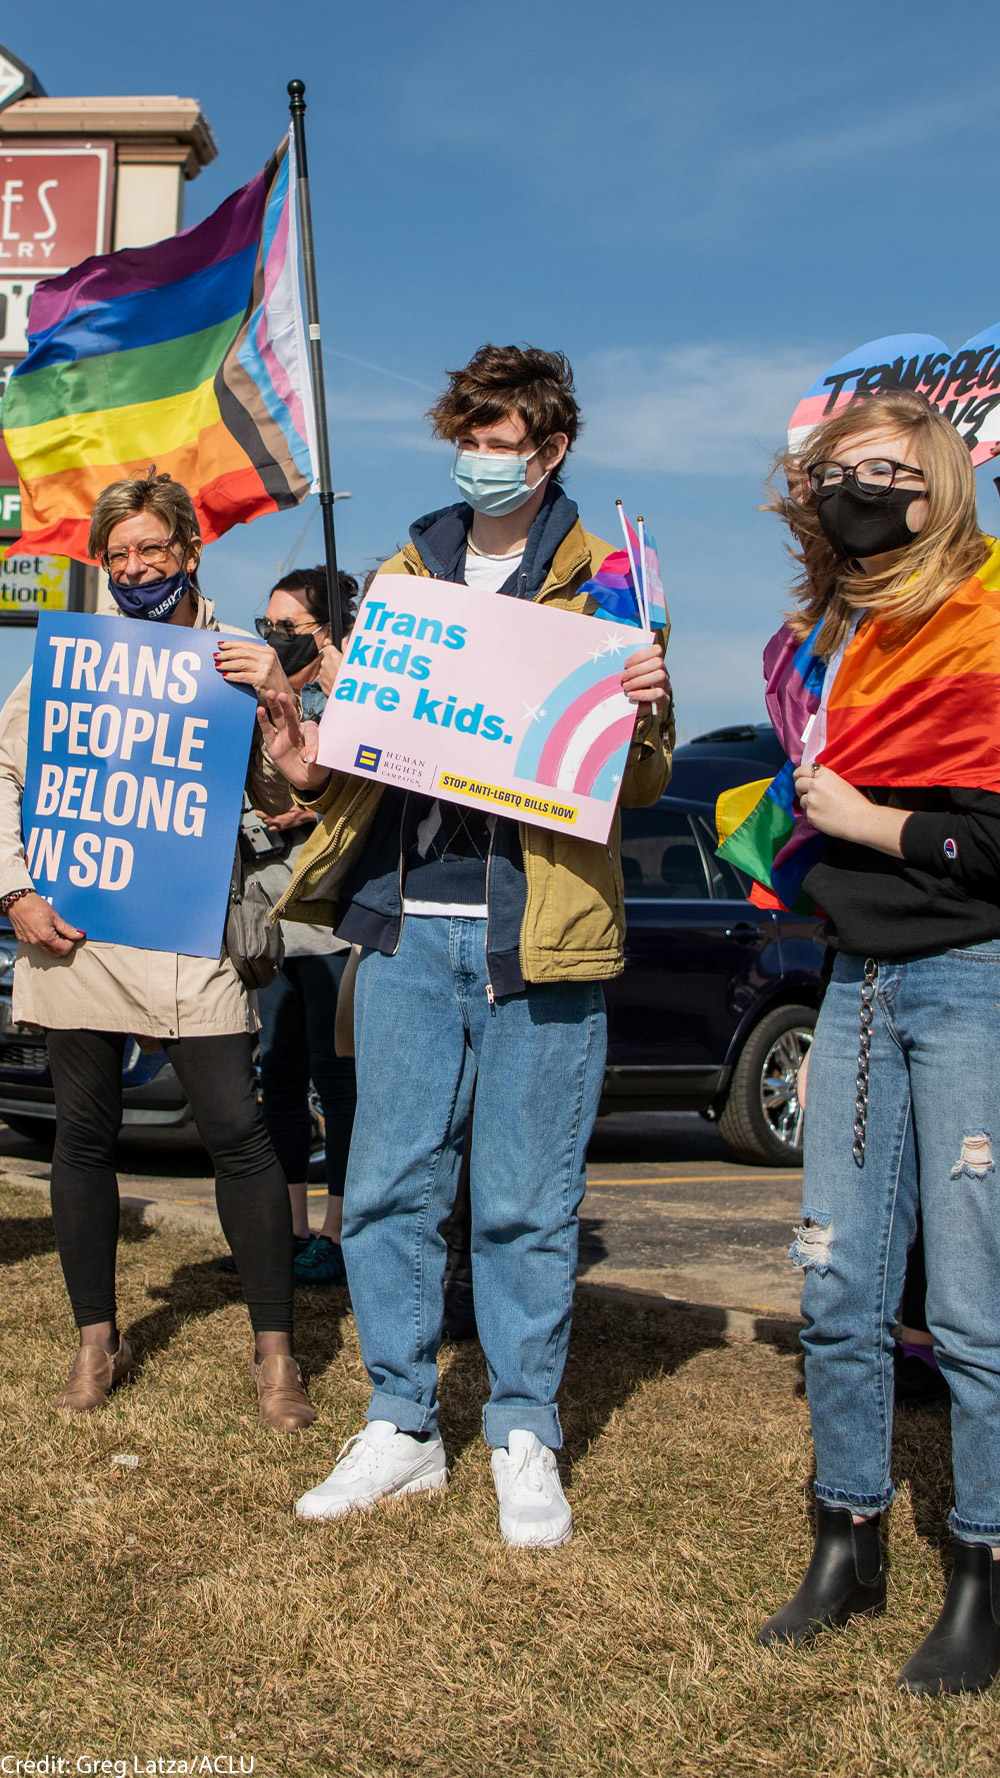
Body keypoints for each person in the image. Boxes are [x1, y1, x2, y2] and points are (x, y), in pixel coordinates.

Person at [259, 343, 672, 1545]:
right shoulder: (403, 573)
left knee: (523, 1201)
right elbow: (369, 750)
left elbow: (638, 780)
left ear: (549, 451)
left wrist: (641, 703)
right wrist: (307, 746)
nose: (480, 459)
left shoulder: (606, 588)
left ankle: (522, 1427)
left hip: (536, 936)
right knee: (385, 1185)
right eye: (468, 435)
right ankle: (402, 1419)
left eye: (502, 440)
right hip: (404, 927)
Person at [754, 391, 1000, 1694]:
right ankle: (845, 1539)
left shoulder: (989, 617)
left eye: (890, 471)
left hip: (972, 977)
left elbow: (990, 840)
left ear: (944, 481)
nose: (861, 489)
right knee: (838, 1284)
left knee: (971, 1303)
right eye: (841, 471)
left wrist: (872, 823)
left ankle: (981, 1570)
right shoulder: (829, 642)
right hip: (855, 982)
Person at [0, 468, 313, 1430]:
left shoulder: (231, 656)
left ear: (189, 553)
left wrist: (276, 702)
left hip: (190, 929)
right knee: (82, 1134)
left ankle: (276, 1351)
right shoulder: (71, 657)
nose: (137, 567)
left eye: (154, 550)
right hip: (78, 928)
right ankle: (98, 1337)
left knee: (236, 1129)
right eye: (120, 553)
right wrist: (14, 887)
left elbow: (281, 797)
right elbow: (6, 768)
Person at [214, 567, 358, 1287]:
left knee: (340, 1082)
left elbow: (368, 788)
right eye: (264, 623)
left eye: (287, 627)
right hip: (268, 919)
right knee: (277, 1075)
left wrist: (313, 802)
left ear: (324, 632)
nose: (269, 636)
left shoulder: (355, 694)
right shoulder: (254, 696)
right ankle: (289, 1225)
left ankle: (339, 1233)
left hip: (332, 924)